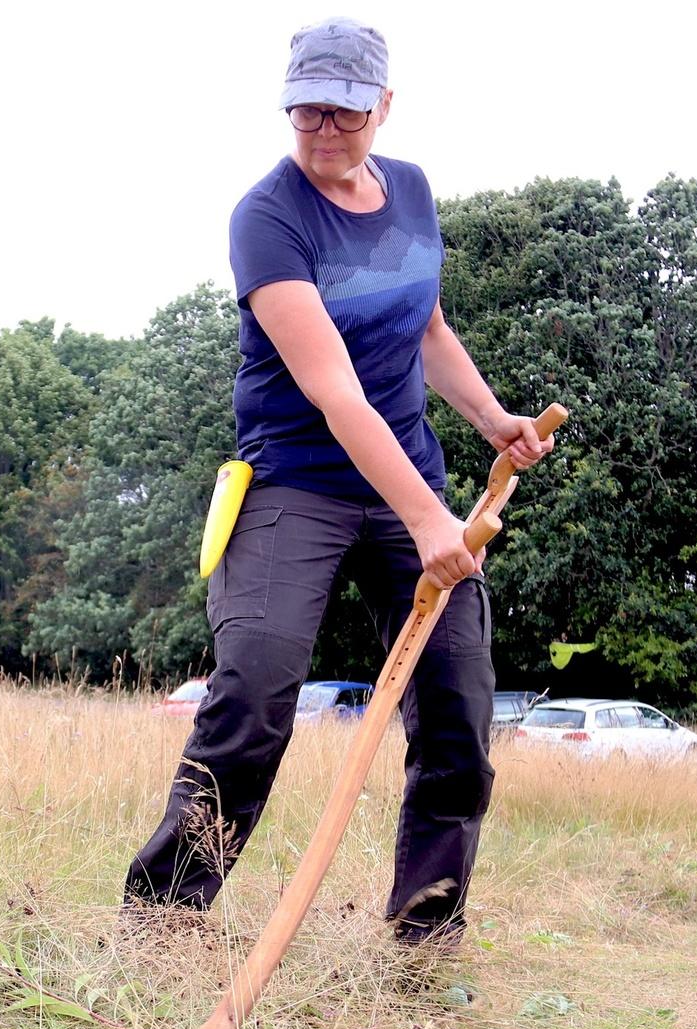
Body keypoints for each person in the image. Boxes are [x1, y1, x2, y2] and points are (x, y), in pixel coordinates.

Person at [122, 17, 554, 947]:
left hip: (410, 481)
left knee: (457, 711)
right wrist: (431, 519)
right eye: (305, 110)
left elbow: (426, 328)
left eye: (345, 113)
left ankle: (425, 936)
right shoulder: (267, 217)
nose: (322, 129)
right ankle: (159, 924)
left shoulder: (412, 193)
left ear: (384, 107)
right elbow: (337, 392)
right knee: (256, 689)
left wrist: (492, 421)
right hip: (295, 484)